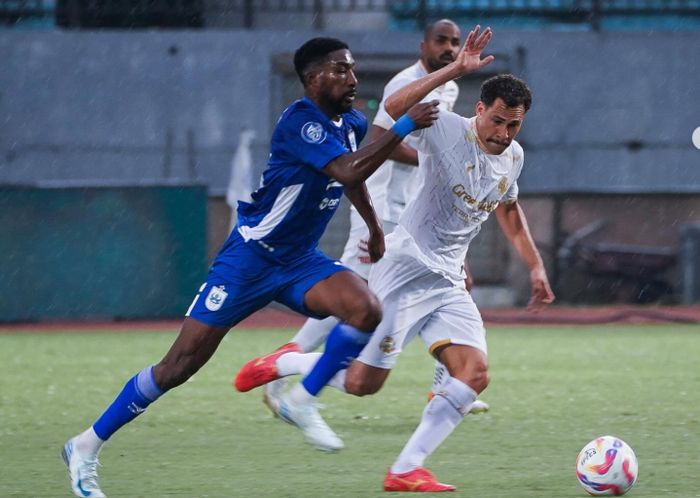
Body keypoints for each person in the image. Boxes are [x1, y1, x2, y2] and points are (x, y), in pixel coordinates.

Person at [61, 37, 439, 498]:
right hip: (250, 260)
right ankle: (85, 446)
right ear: (312, 78)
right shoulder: (301, 121)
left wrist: (374, 228)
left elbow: (353, 175)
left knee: (365, 309)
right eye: (341, 70)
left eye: (353, 69)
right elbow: (347, 172)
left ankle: (303, 397)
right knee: (178, 366)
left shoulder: (352, 123)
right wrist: (402, 125)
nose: (353, 79)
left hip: (299, 260)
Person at [234, 26, 555, 492]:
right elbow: (393, 110)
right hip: (405, 265)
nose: (503, 134)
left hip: (446, 279)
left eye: (515, 125)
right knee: (364, 383)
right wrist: (456, 69)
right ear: (479, 109)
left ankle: (405, 469)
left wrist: (534, 264)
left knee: (475, 373)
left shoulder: (514, 156)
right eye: (498, 121)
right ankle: (283, 364)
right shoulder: (447, 128)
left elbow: (507, 208)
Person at [257, 19, 488, 416]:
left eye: (454, 42)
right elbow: (381, 139)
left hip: (412, 209)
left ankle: (445, 384)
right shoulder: (404, 83)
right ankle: (282, 366)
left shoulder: (448, 85)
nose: (449, 48)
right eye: (441, 41)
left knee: (443, 285)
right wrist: (434, 162)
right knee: (358, 298)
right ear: (423, 45)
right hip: (380, 207)